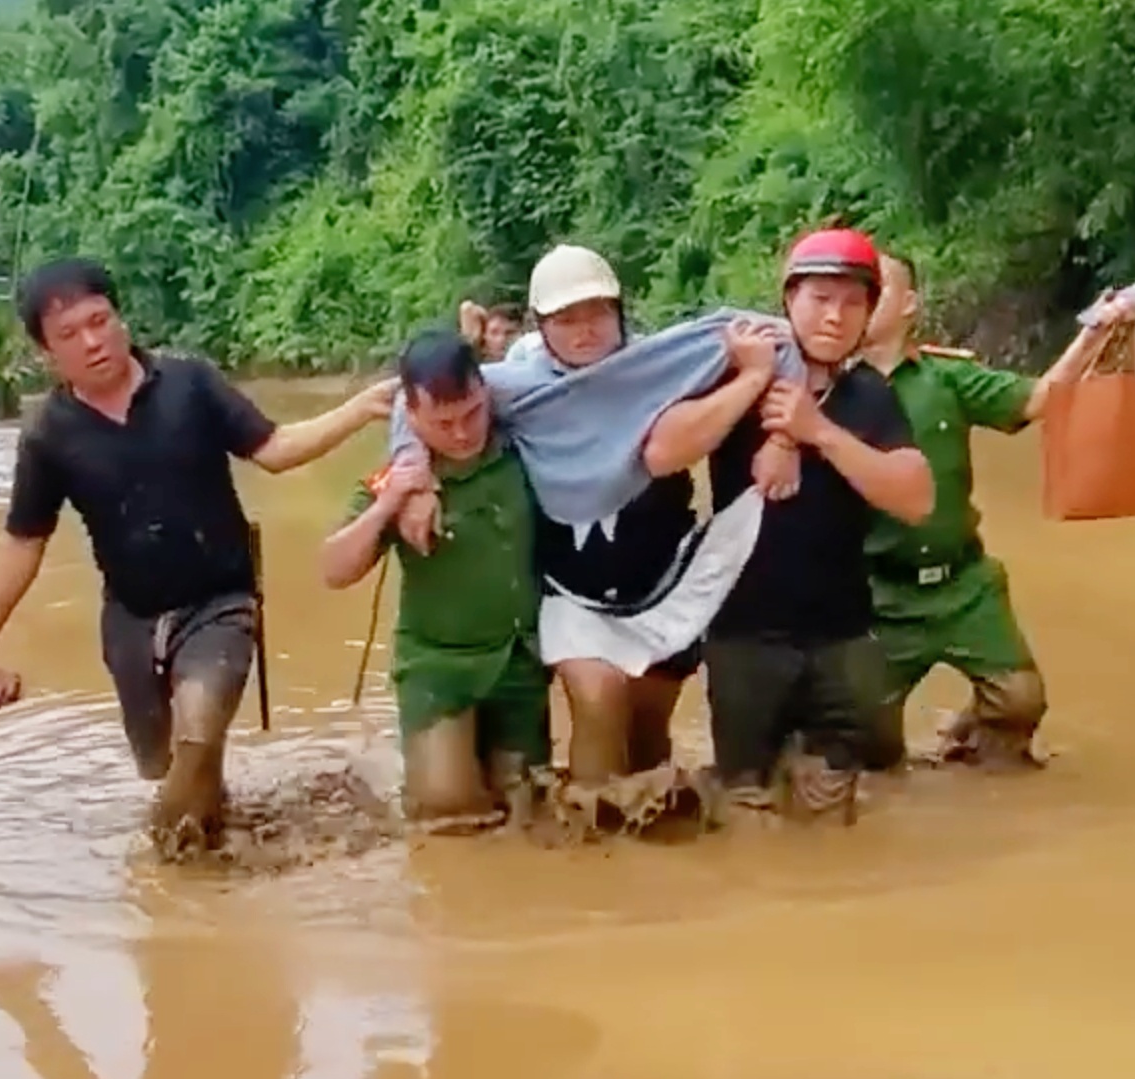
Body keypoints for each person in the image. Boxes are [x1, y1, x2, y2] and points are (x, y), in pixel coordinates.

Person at [0, 258, 398, 845]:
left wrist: (358, 408)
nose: (93, 341)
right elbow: (24, 541)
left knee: (199, 735)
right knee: (166, 768)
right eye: (69, 335)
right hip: (131, 617)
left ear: (120, 317)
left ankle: (172, 888)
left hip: (221, 600)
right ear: (45, 354)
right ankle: (212, 833)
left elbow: (276, 449)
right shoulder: (48, 434)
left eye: (99, 320)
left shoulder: (190, 383)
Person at [386, 244, 803, 789]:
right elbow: (405, 401)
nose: (584, 331)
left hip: (663, 577)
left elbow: (783, 337)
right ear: (540, 324)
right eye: (565, 319)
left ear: (620, 311)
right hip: (570, 588)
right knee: (599, 698)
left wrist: (784, 438)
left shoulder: (661, 364)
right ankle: (592, 837)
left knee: (650, 731)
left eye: (597, 314)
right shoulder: (514, 386)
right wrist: (412, 467)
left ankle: (644, 851)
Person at [645, 227, 934, 817]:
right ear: (789, 301)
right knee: (745, 807)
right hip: (744, 636)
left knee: (831, 805)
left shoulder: (868, 396)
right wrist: (753, 381)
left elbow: (916, 498)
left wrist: (817, 432)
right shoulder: (735, 376)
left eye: (853, 301)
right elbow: (662, 453)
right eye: (820, 299)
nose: (835, 316)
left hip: (841, 635)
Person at [859, 251, 1135, 767]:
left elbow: (1038, 401)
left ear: (909, 304)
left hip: (965, 585)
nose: (862, 299)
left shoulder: (946, 379)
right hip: (879, 593)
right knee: (865, 744)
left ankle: (969, 747)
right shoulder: (831, 387)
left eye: (876, 287)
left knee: (1018, 702)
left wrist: (1094, 334)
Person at [319, 331, 548, 826]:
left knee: (529, 809)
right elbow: (333, 571)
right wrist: (388, 505)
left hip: (519, 661)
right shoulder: (400, 477)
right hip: (437, 668)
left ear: (486, 394)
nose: (463, 434)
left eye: (471, 413)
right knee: (446, 809)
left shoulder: (526, 449)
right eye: (443, 423)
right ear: (412, 417)